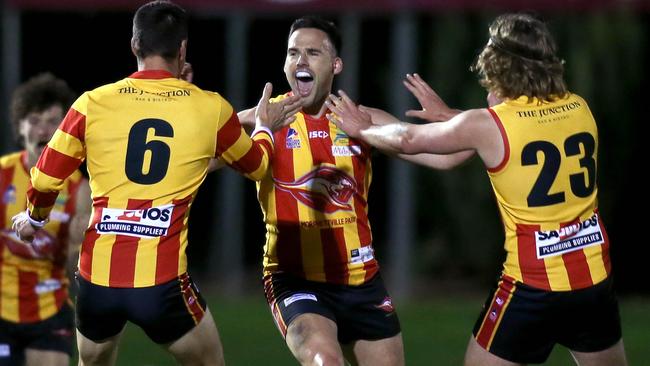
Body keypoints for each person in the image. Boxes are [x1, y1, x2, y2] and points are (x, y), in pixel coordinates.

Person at [327, 13, 627, 366]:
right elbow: (520, 127)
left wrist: (362, 129)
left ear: (500, 66)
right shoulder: (578, 107)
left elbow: (408, 139)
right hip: (593, 280)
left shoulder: (487, 125)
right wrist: (455, 119)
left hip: (531, 286)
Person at [12, 1, 301, 366]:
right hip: (162, 286)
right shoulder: (209, 107)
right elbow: (258, 166)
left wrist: (34, 219)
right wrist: (262, 127)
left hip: (97, 281)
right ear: (182, 49)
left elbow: (45, 176)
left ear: (134, 45)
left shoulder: (92, 103)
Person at [236, 16, 471, 366]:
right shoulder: (261, 121)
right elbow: (193, 161)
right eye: (293, 53)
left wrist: (448, 118)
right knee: (325, 362)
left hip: (362, 282)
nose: (300, 61)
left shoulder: (362, 122)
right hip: (296, 280)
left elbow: (450, 158)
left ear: (336, 64)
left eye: (312, 53)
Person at [0, 73, 91, 366]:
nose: (43, 129)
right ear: (20, 126)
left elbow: (75, 261)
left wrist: (76, 250)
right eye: (35, 120)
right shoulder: (2, 175)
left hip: (50, 309)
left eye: (53, 121)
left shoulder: (79, 189)